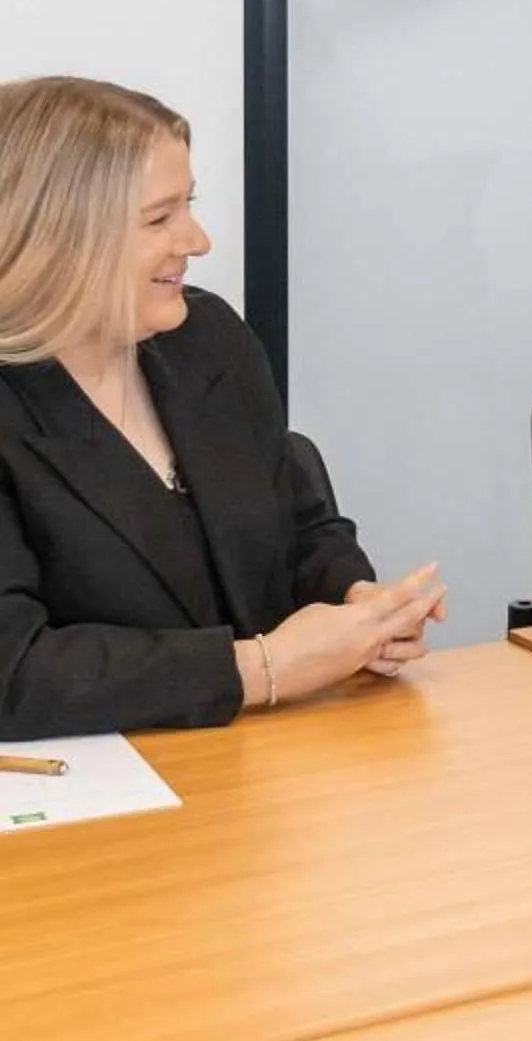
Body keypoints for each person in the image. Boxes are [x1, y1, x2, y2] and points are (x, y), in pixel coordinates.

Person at [0, 77, 442, 736]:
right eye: (159, 218)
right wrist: (266, 668)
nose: (197, 241)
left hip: (264, 762)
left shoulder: (208, 341)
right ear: (60, 236)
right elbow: (17, 673)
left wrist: (356, 603)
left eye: (189, 206)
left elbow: (298, 527)